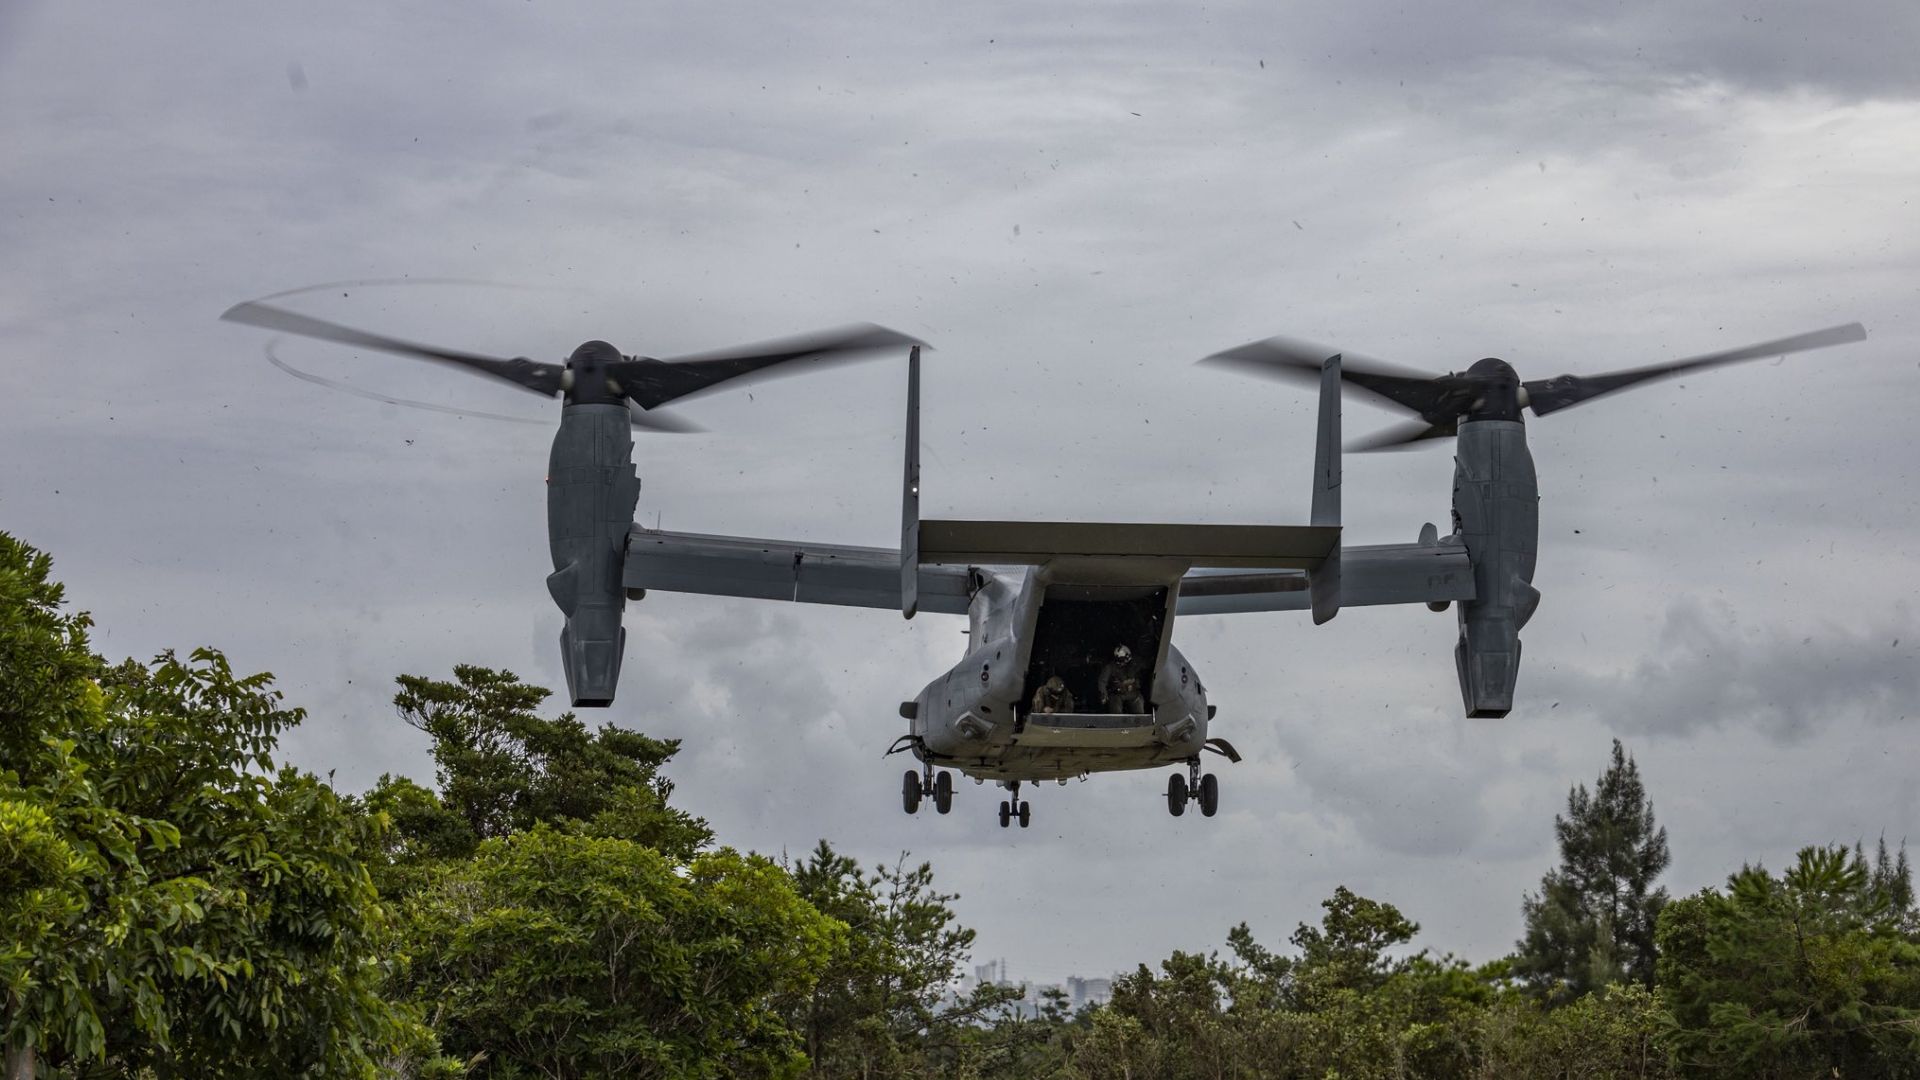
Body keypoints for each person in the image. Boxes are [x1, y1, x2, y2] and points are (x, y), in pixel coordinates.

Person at [1097, 644, 1147, 714]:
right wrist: (1103, 694)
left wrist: (1136, 682)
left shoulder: (1135, 663)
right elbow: (1102, 682)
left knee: (1138, 706)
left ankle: (1139, 720)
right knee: (1115, 708)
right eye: (1119, 660)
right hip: (1117, 694)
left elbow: (1144, 671)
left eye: (1122, 660)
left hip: (1133, 693)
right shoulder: (1110, 667)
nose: (1120, 662)